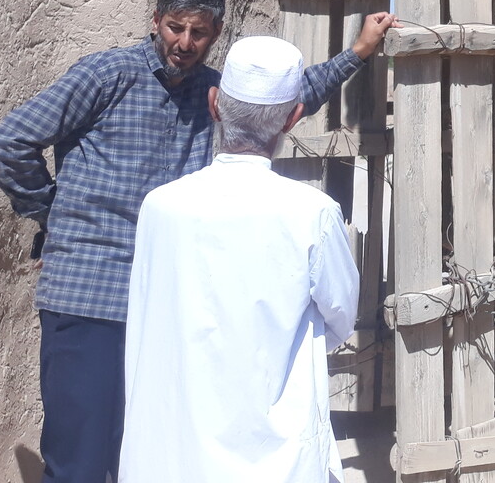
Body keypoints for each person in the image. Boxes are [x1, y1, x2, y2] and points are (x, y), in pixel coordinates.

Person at [0, 0, 397, 483]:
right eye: (174, 28)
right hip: (91, 294)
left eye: (197, 32)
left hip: (165, 309)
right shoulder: (106, 75)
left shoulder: (212, 92)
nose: (183, 42)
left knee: (153, 454)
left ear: (216, 34)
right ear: (155, 21)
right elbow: (8, 143)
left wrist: (357, 51)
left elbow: (280, 102)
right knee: (80, 458)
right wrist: (54, 214)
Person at [118, 36, 359, 483]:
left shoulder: (162, 206)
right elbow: (341, 315)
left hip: (172, 447)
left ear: (214, 105)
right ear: (293, 118)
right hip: (275, 456)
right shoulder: (312, 213)